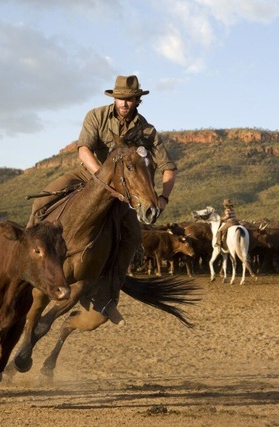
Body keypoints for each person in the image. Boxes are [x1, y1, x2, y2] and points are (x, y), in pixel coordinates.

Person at [29, 75, 177, 323]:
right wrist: (100, 178)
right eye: (120, 99)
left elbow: (168, 167)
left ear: (137, 100)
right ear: (114, 98)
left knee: (131, 236)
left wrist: (163, 198)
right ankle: (24, 261)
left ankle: (109, 298)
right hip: (86, 174)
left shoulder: (148, 131)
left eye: (129, 99)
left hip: (123, 191)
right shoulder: (96, 116)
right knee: (41, 201)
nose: (124, 103)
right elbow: (84, 148)